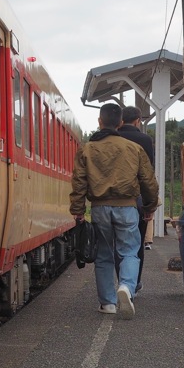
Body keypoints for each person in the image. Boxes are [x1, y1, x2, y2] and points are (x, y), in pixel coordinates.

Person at [70, 103, 159, 319]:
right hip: (127, 207)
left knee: (103, 254)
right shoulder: (133, 148)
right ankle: (127, 287)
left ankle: (107, 303)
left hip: (99, 208)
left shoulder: (88, 148)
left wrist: (78, 210)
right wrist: (149, 207)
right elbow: (148, 181)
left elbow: (79, 182)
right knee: (129, 250)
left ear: (100, 121)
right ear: (120, 123)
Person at [118, 106, 156, 291]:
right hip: (137, 199)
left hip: (109, 198)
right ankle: (133, 283)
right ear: (138, 120)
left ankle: (117, 282)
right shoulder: (144, 140)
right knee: (137, 243)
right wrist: (150, 205)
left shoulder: (111, 138)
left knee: (115, 243)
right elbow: (148, 175)